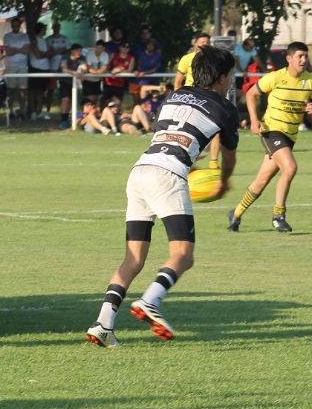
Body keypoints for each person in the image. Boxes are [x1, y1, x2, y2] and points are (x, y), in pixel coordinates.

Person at [86, 45, 239, 347]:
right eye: (231, 75)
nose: (231, 81)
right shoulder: (225, 108)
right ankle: (150, 301)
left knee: (133, 257)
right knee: (183, 254)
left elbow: (169, 135)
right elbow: (229, 157)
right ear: (221, 77)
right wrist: (222, 181)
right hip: (167, 176)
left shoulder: (172, 95)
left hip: (140, 170)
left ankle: (103, 324)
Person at [227, 42, 312, 233]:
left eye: (305, 56)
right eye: (299, 56)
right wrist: (255, 120)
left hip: (290, 136)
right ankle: (278, 215)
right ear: (289, 59)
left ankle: (236, 213)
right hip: (272, 130)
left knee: (262, 179)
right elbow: (250, 94)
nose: (304, 60)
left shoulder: (309, 80)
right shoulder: (276, 77)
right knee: (290, 168)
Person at [3, 17, 30, 119]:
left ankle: (22, 111)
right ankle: (10, 111)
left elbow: (26, 50)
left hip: (23, 66)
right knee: (10, 90)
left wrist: (14, 50)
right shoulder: (7, 36)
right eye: (13, 25)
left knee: (22, 91)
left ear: (20, 25)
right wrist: (20, 50)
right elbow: (8, 52)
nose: (15, 27)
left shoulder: (25, 36)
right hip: (11, 65)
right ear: (11, 26)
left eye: (17, 25)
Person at [58, 44, 85, 129]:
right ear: (72, 51)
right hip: (65, 82)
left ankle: (78, 120)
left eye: (80, 51)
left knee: (78, 102)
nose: (79, 53)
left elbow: (84, 68)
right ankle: (64, 120)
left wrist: (82, 72)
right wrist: (75, 73)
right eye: (77, 51)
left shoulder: (82, 59)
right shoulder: (65, 57)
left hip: (77, 83)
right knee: (65, 99)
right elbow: (64, 69)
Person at [27, 23, 50, 120]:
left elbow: (49, 53)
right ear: (40, 30)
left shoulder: (44, 41)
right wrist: (45, 54)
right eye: (44, 29)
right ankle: (33, 113)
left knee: (41, 92)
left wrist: (44, 53)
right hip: (35, 68)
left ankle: (39, 112)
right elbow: (37, 55)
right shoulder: (34, 40)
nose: (45, 31)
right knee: (33, 92)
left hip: (45, 69)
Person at [83, 40, 109, 105]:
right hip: (88, 80)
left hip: (97, 80)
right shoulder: (90, 54)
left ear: (104, 48)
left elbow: (105, 67)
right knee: (89, 100)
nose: (99, 49)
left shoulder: (105, 55)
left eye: (101, 48)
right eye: (98, 47)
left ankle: (94, 114)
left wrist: (98, 72)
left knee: (95, 100)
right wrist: (97, 72)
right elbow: (89, 68)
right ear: (95, 47)